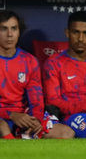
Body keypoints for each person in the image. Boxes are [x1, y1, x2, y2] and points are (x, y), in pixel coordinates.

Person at [0, 10, 75, 140]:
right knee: (2, 126)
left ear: (19, 32)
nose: (10, 34)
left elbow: (36, 100)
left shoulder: (29, 61)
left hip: (24, 117)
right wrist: (11, 115)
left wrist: (36, 119)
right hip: (3, 118)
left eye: (14, 28)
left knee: (66, 133)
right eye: (3, 29)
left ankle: (23, 139)